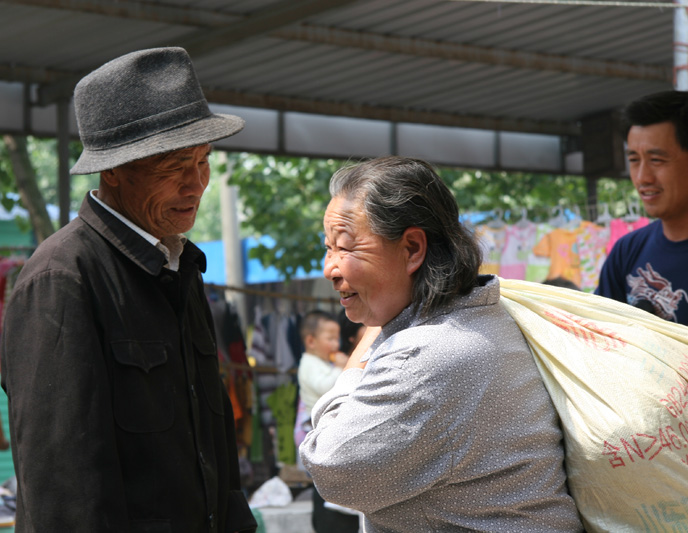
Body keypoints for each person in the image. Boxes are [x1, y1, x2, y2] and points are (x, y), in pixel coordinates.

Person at [0, 47, 257, 532]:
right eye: (173, 165)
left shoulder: (180, 266)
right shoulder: (62, 279)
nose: (196, 184)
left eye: (202, 161)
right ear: (113, 169)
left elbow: (216, 446)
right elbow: (63, 490)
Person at [299, 156, 583, 532]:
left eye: (346, 248)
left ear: (412, 248)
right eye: (328, 248)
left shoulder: (422, 358)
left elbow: (331, 468)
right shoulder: (486, 316)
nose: (329, 268)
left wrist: (360, 361)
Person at [595, 90, 688, 325]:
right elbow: (603, 339)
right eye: (634, 160)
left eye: (657, 160)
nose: (642, 178)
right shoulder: (627, 251)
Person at [294, 310, 359, 533]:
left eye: (336, 338)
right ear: (311, 341)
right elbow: (326, 387)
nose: (335, 343)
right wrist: (346, 367)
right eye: (329, 338)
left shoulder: (321, 362)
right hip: (320, 431)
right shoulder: (308, 363)